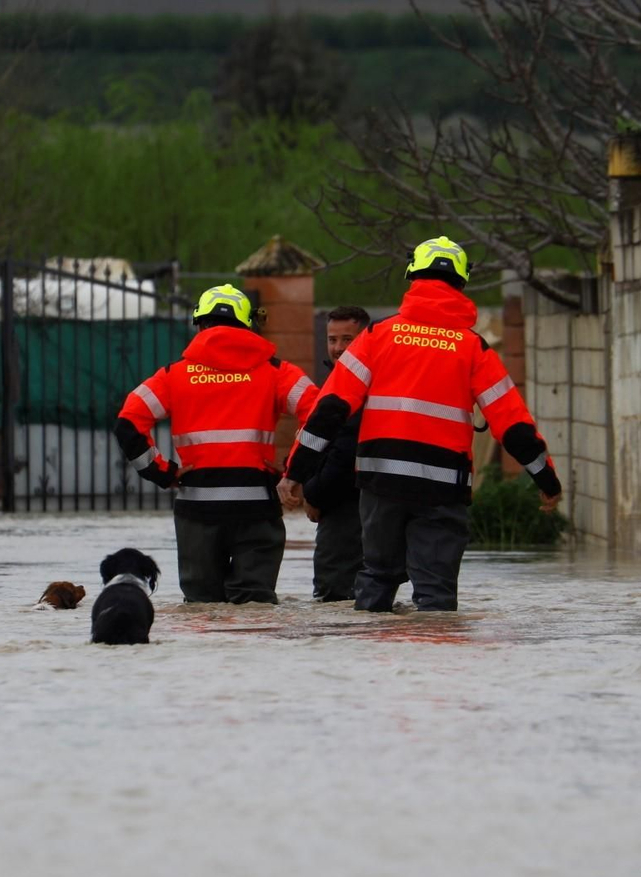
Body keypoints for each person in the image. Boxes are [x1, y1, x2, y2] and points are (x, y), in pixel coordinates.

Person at [279, 237, 561, 612]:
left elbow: (330, 410)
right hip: (442, 491)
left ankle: (371, 668)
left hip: (381, 487)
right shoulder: (472, 348)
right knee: (436, 596)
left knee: (376, 581)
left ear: (412, 278)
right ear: (461, 284)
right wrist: (547, 481)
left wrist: (295, 472)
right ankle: (438, 666)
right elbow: (513, 426)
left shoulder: (377, 336)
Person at [115, 284, 318, 604]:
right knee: (255, 606)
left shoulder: (173, 375)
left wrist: (163, 472)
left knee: (202, 609)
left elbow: (127, 424)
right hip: (257, 507)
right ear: (247, 325)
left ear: (200, 324)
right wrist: (294, 469)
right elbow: (320, 415)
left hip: (197, 509)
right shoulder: (276, 372)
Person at [303, 305, 370, 601]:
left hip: (346, 504)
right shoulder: (334, 382)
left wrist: (314, 493)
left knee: (334, 594)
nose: (339, 348)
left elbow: (344, 450)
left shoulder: (357, 387)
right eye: (332, 340)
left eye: (347, 340)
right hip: (357, 501)